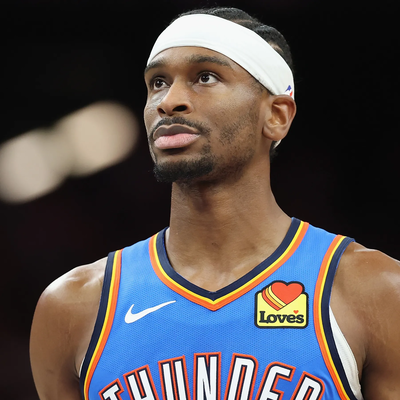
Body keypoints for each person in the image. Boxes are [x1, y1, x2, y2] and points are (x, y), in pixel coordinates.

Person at [30, 7, 400, 400]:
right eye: (158, 82)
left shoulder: (374, 291)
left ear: (276, 116)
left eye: (205, 77)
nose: (169, 101)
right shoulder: (74, 305)